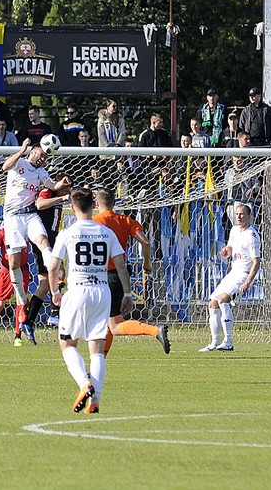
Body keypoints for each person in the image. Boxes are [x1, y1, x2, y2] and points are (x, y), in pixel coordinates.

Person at [49, 187, 132, 414]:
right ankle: (95, 400)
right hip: (102, 292)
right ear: (94, 205)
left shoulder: (68, 233)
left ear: (72, 207)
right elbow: (121, 265)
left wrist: (55, 291)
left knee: (67, 343)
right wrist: (127, 294)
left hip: (77, 291)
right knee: (96, 349)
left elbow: (54, 266)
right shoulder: (106, 233)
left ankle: (84, 384)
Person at [2, 139, 71, 327]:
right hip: (13, 217)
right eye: (41, 155)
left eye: (45, 157)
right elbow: (5, 166)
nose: (43, 159)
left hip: (30, 215)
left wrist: (60, 184)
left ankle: (54, 271)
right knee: (14, 262)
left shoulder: (41, 172)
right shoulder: (19, 163)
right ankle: (22, 299)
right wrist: (21, 149)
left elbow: (51, 186)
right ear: (32, 152)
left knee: (43, 242)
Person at [93, 188, 169, 355]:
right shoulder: (125, 220)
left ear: (97, 203)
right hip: (119, 276)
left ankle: (155, 331)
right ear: (114, 203)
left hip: (103, 276)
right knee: (107, 322)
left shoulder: (94, 222)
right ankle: (98, 364)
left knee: (114, 325)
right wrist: (147, 264)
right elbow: (146, 243)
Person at [200, 202, 260, 352]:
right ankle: (215, 342)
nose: (238, 217)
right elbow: (231, 247)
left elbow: (256, 262)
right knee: (213, 303)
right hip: (233, 273)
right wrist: (226, 251)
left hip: (244, 275)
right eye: (237, 214)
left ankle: (228, 342)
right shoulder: (234, 230)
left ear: (249, 216)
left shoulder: (252, 236)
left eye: (241, 214)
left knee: (223, 299)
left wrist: (247, 282)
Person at [22, 169, 71, 342]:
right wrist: (61, 198)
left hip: (51, 239)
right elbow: (40, 204)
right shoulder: (47, 191)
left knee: (45, 283)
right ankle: (55, 313)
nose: (67, 191)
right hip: (43, 241)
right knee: (58, 274)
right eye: (65, 187)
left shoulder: (60, 195)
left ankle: (28, 321)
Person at [0, 227, 31, 347]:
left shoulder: (26, 230)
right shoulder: (2, 232)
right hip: (5, 272)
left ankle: (18, 336)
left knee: (21, 301)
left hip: (22, 270)